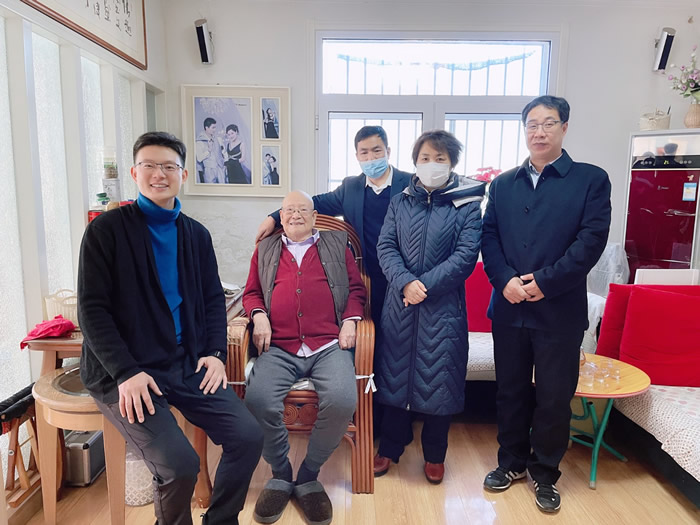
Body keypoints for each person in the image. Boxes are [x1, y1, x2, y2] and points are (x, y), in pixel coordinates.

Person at [78, 131, 263, 525]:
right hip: (125, 372)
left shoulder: (196, 235)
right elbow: (91, 309)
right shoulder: (106, 231)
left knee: (248, 436)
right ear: (134, 173)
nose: (158, 174)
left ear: (183, 175)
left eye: (168, 166)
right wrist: (125, 372)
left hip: (185, 362)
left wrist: (215, 354)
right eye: (149, 165)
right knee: (180, 466)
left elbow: (213, 299)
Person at [481, 96, 611, 513]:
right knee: (510, 392)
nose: (539, 132)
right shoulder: (503, 184)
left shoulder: (590, 180)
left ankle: (545, 473)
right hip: (510, 307)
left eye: (548, 123)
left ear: (564, 128)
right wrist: (504, 280)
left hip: (558, 311)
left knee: (555, 398)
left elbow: (591, 241)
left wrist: (545, 282)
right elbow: (489, 237)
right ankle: (511, 463)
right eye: (532, 124)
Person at [255, 125, 412, 436]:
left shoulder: (410, 184)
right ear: (357, 156)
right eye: (364, 152)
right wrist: (273, 216)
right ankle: (371, 426)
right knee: (372, 352)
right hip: (368, 277)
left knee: (397, 354)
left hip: (401, 279)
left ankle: (398, 432)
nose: (371, 157)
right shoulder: (351, 187)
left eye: (377, 151)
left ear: (388, 151)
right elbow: (311, 204)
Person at [242, 190, 366, 525]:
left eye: (302, 210)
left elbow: (357, 290)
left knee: (342, 400)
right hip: (280, 346)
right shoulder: (265, 249)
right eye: (288, 210)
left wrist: (350, 320)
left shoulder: (337, 244)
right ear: (280, 218)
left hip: (328, 344)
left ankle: (309, 475)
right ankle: (281, 474)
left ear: (314, 217)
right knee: (258, 399)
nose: (295, 215)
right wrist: (258, 315)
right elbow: (251, 292)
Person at [372, 130, 485, 484]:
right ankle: (390, 447)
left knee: (440, 381)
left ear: (452, 163)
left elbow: (466, 256)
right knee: (394, 378)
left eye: (440, 158)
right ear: (415, 162)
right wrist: (406, 282)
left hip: (443, 309)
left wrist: (425, 287)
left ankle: (435, 455)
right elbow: (385, 246)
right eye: (425, 158)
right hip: (400, 305)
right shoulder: (400, 201)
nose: (431, 164)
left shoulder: (467, 203)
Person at [195, 117, 225, 183]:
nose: (215, 130)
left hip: (220, 169)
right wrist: (209, 150)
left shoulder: (216, 139)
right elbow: (199, 158)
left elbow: (222, 152)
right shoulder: (200, 141)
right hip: (209, 171)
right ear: (206, 128)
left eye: (215, 127)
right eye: (213, 127)